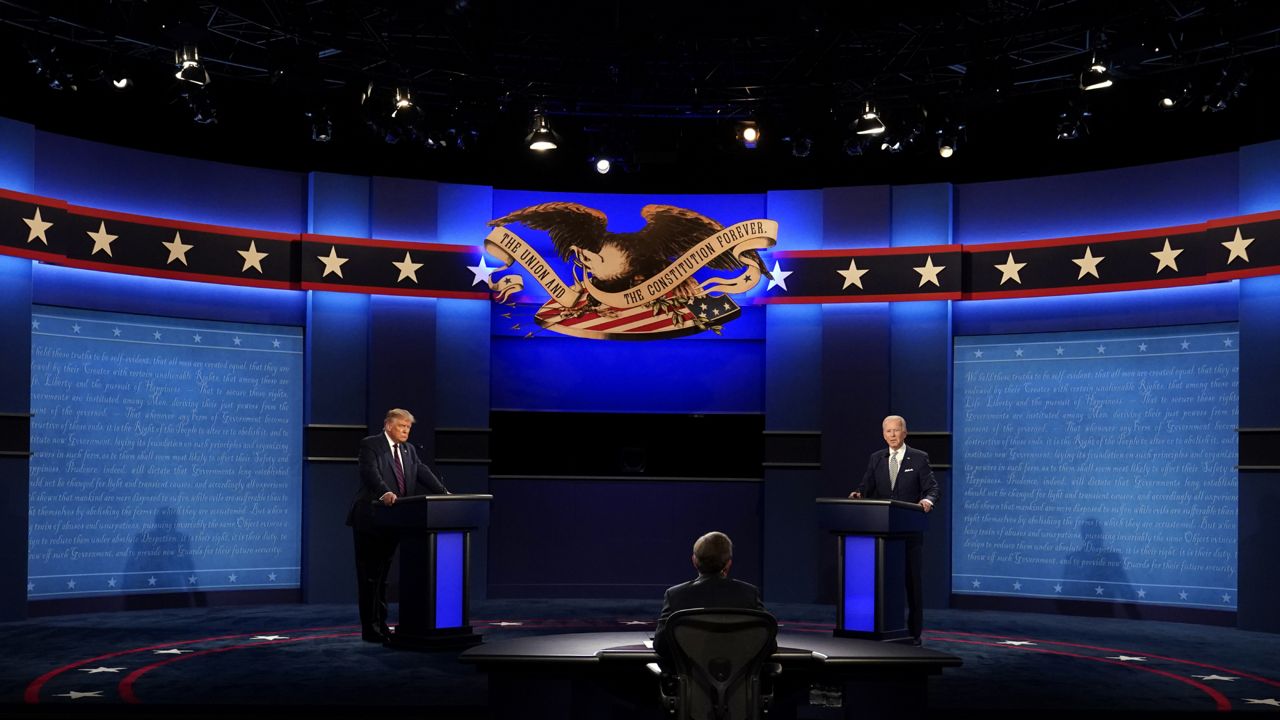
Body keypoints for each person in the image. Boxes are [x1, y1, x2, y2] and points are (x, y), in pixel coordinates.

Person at [346, 408, 449, 643]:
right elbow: (370, 473)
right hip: (370, 518)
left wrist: (444, 494)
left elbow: (422, 472)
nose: (405, 431)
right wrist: (385, 492)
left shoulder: (409, 450)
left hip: (395, 520)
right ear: (388, 425)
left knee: (383, 577)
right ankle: (371, 629)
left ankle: (382, 625)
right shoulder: (371, 445)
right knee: (370, 577)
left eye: (408, 428)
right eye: (402, 426)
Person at [849, 414, 939, 645]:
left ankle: (914, 633)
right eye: (888, 431)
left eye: (896, 430)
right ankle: (884, 629)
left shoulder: (919, 458)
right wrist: (858, 494)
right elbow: (865, 486)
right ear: (883, 434)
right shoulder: (876, 458)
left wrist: (927, 501)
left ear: (905, 432)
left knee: (912, 584)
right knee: (883, 583)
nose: (892, 435)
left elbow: (932, 488)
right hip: (883, 535)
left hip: (909, 533)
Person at [653, 531, 770, 660]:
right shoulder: (749, 594)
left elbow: (661, 646)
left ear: (694, 561)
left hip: (691, 678)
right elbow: (769, 644)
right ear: (728, 563)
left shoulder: (675, 595)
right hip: (740, 678)